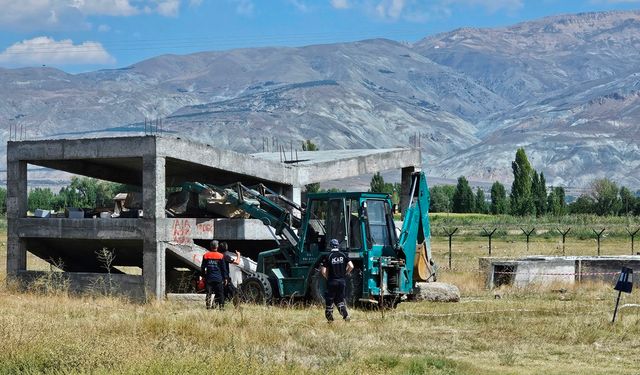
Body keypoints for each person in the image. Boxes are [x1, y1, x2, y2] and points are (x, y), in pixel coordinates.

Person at [320, 238, 354, 322]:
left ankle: (330, 319)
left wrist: (327, 277)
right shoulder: (344, 255)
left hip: (332, 281)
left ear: (330, 246)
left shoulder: (328, 256)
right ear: (338, 245)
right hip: (342, 281)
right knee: (340, 299)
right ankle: (345, 316)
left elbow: (323, 271)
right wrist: (345, 273)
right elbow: (351, 266)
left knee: (330, 300)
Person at [200, 240, 228, 310]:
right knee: (220, 294)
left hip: (209, 279)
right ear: (217, 246)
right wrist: (225, 278)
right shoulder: (221, 256)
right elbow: (223, 269)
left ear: (211, 246)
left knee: (208, 294)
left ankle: (208, 308)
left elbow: (203, 267)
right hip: (218, 278)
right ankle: (221, 308)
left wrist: (203, 277)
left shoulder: (206, 255)